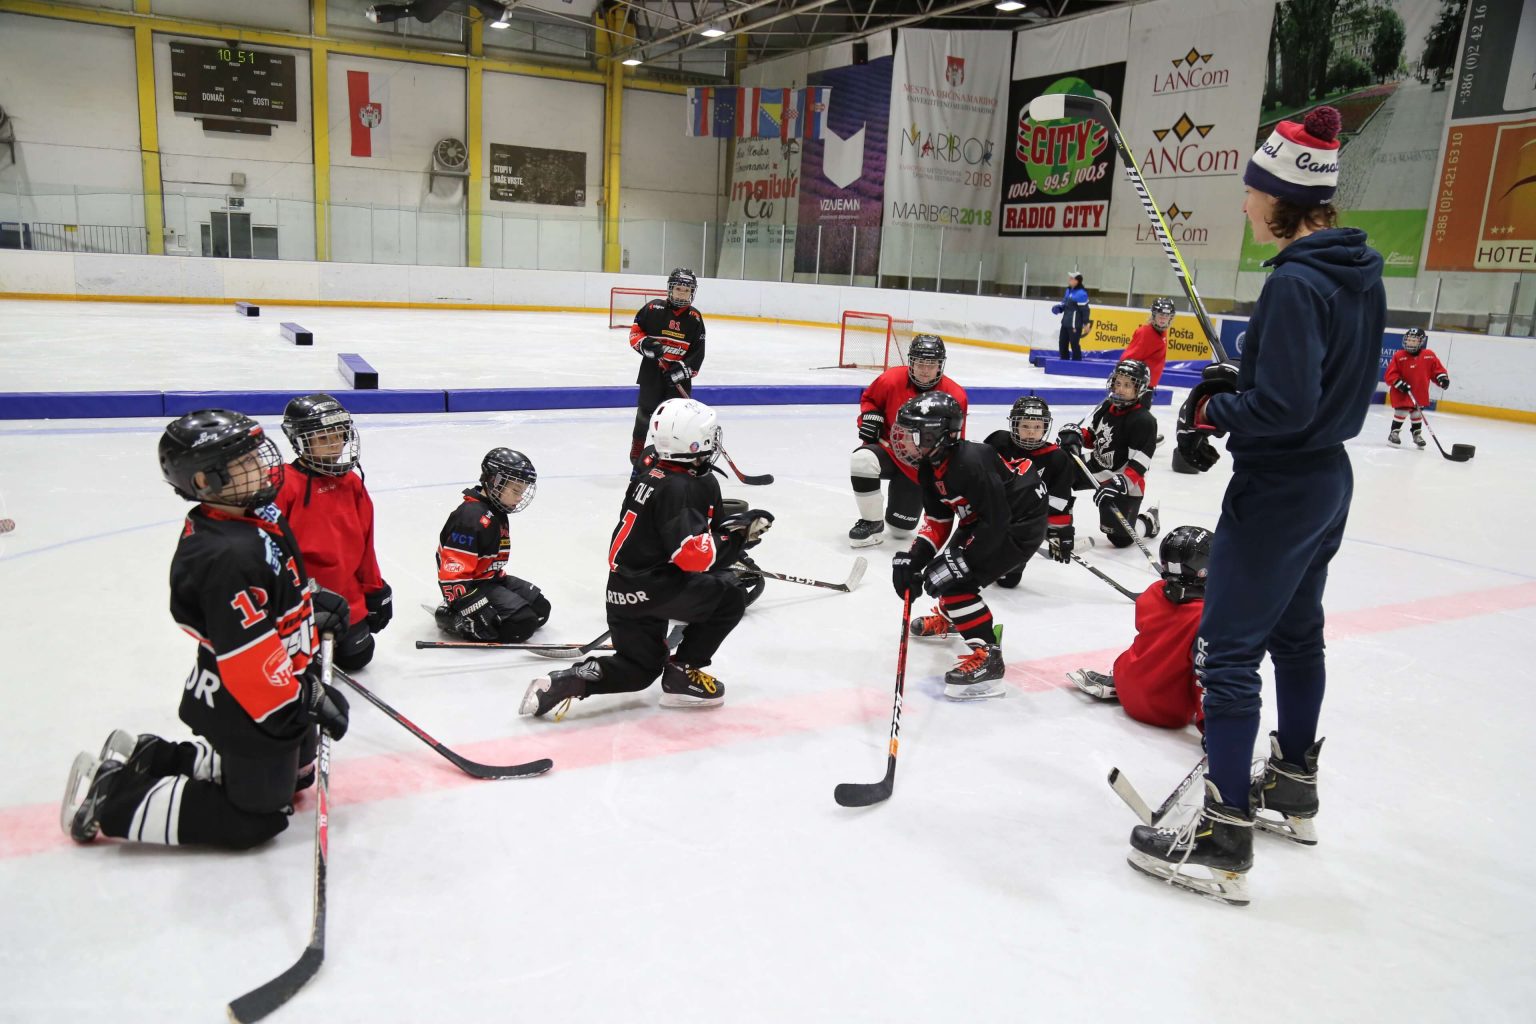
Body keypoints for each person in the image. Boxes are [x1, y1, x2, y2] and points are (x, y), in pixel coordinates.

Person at [1151, 105, 1386, 904]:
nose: (1245, 203)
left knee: (1228, 654)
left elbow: (1281, 410)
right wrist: (1243, 383)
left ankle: (1223, 836)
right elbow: (1313, 391)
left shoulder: (1293, 282)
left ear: (1279, 194)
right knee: (1297, 634)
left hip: (1281, 486)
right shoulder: (1355, 269)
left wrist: (1216, 410)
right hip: (1327, 480)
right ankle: (1292, 787)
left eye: (1252, 190)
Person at [60, 410, 351, 849]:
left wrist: (310, 602)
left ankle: (151, 755)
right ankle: (110, 797)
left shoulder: (256, 514)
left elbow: (276, 585)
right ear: (203, 483)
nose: (262, 465)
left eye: (257, 453)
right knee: (256, 816)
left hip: (285, 679)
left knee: (299, 773)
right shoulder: (225, 555)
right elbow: (249, 659)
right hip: (249, 699)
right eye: (243, 462)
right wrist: (302, 700)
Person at [520, 399, 770, 719]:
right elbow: (693, 557)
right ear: (696, 441)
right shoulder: (685, 486)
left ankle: (567, 681)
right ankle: (683, 672)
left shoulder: (653, 467)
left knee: (639, 668)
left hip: (622, 590)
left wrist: (730, 535)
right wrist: (737, 539)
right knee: (731, 594)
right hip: (658, 586)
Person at [891, 393, 1049, 700]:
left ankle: (988, 657)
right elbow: (938, 519)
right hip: (984, 519)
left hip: (1019, 525)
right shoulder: (930, 466)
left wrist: (955, 563)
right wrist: (915, 559)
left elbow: (998, 521)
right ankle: (956, 617)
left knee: (956, 584)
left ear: (939, 433)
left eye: (914, 433)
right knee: (949, 572)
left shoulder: (970, 462)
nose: (905, 441)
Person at [274, 394, 391, 672]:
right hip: (301, 602)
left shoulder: (352, 484)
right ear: (300, 441)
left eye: (340, 435)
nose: (335, 444)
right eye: (324, 438)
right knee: (303, 669)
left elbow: (365, 546)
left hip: (346, 600)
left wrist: (374, 591)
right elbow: (270, 555)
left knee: (358, 656)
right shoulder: (283, 486)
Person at [1070, 525, 1213, 731]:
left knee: (1158, 645)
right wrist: (1212, 729)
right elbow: (1207, 679)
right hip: (1169, 710)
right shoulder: (1206, 617)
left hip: (1126, 684)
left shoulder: (1154, 592)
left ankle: (1130, 683)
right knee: (1203, 661)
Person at [849, 333, 968, 547]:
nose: (924, 370)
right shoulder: (890, 379)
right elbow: (870, 400)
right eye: (920, 363)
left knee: (900, 530)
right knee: (862, 461)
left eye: (931, 364)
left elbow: (956, 441)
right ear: (911, 362)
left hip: (919, 468)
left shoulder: (955, 395)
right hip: (888, 451)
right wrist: (870, 417)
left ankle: (896, 516)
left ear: (941, 365)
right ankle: (871, 523)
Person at [433, 449, 551, 644]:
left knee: (541, 610)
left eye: (522, 491)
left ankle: (492, 612)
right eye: (515, 490)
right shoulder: (470, 517)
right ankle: (453, 617)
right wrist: (469, 605)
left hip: (491, 579)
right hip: (471, 586)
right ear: (495, 482)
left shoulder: (496, 509)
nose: (520, 497)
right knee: (522, 625)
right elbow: (452, 575)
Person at [1058, 359, 1161, 548]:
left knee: (1120, 539)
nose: (1120, 389)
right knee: (1058, 469)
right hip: (1096, 465)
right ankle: (1060, 522)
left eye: (1128, 385)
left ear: (1140, 389)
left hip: (1124, 478)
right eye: (1118, 383)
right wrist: (1076, 435)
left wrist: (1120, 483)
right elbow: (1093, 438)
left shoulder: (1144, 420)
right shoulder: (1106, 405)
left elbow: (1140, 463)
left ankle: (1148, 522)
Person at [980, 396, 1079, 588]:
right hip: (992, 513)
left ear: (1045, 427)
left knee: (1007, 580)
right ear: (1014, 425)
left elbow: (1059, 502)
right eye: (1025, 426)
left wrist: (1059, 531)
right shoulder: (998, 442)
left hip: (1026, 522)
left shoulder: (1057, 458)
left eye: (1037, 427)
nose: (1031, 433)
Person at [628, 268, 705, 467]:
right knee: (645, 412)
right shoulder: (653, 309)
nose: (682, 293)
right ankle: (638, 448)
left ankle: (671, 455)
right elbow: (636, 332)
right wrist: (645, 345)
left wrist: (682, 370)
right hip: (652, 372)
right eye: (678, 289)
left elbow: (698, 352)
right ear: (670, 289)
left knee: (677, 419)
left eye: (686, 290)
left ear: (692, 292)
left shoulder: (695, 318)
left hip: (677, 377)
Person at [1384, 327, 1450, 447]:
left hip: (1420, 390)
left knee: (1417, 413)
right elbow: (1391, 374)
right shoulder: (1399, 355)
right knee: (1402, 411)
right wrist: (1399, 384)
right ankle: (1394, 433)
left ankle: (1416, 434)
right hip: (1402, 391)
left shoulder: (1429, 355)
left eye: (1414, 341)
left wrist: (1442, 379)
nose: (1410, 342)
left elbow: (1437, 370)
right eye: (1409, 340)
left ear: (1421, 342)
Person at [1123, 298, 1176, 388]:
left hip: (1147, 384)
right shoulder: (1144, 332)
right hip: (1136, 384)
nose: (1163, 318)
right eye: (1160, 314)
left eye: (1166, 315)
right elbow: (1128, 358)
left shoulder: (1162, 332)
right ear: (1154, 315)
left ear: (1170, 317)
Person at [1052, 273, 1091, 361]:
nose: (1069, 279)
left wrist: (1086, 323)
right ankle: (1064, 360)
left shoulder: (1081, 294)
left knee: (1074, 344)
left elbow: (1085, 310)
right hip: (1065, 322)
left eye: (1071, 278)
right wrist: (1059, 308)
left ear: (1077, 281)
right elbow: (1065, 303)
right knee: (1062, 342)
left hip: (1075, 324)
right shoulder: (1068, 290)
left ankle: (1077, 362)